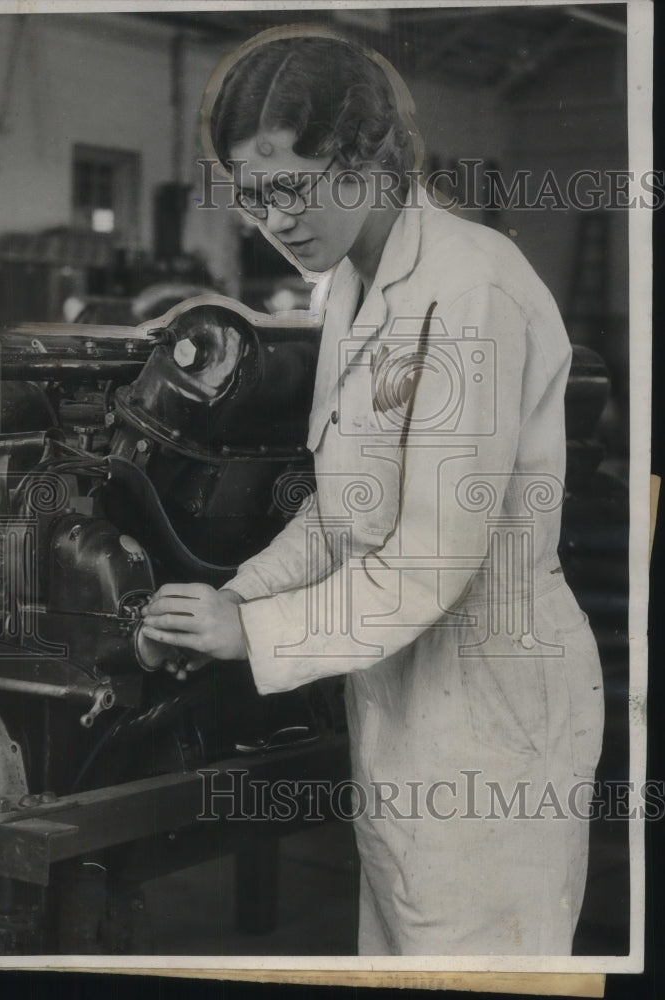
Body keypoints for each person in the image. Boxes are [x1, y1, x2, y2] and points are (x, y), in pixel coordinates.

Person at [140, 27, 605, 956]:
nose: (273, 220)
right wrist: (236, 599)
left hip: (491, 707)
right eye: (253, 197)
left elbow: (429, 565)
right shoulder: (347, 290)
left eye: (291, 188)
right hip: (398, 701)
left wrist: (256, 636)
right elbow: (342, 512)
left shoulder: (473, 288)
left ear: (362, 159)